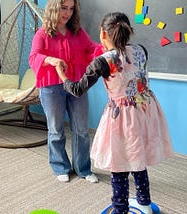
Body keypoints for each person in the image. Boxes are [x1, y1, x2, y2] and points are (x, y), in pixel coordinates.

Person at [55, 12, 174, 213]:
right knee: (138, 157)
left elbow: (77, 90)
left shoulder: (102, 62)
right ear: (128, 32)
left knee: (118, 163)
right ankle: (144, 203)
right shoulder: (141, 50)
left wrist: (61, 74)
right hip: (145, 111)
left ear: (103, 34)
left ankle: (120, 209)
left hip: (122, 117)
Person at [29, 0, 98, 183]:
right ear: (54, 8)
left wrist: (108, 50)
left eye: (70, 8)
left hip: (77, 85)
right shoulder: (42, 34)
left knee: (82, 129)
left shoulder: (78, 32)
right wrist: (50, 60)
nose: (67, 13)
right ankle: (60, 167)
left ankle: (83, 168)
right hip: (51, 87)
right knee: (56, 129)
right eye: (63, 8)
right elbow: (34, 57)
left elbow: (91, 49)